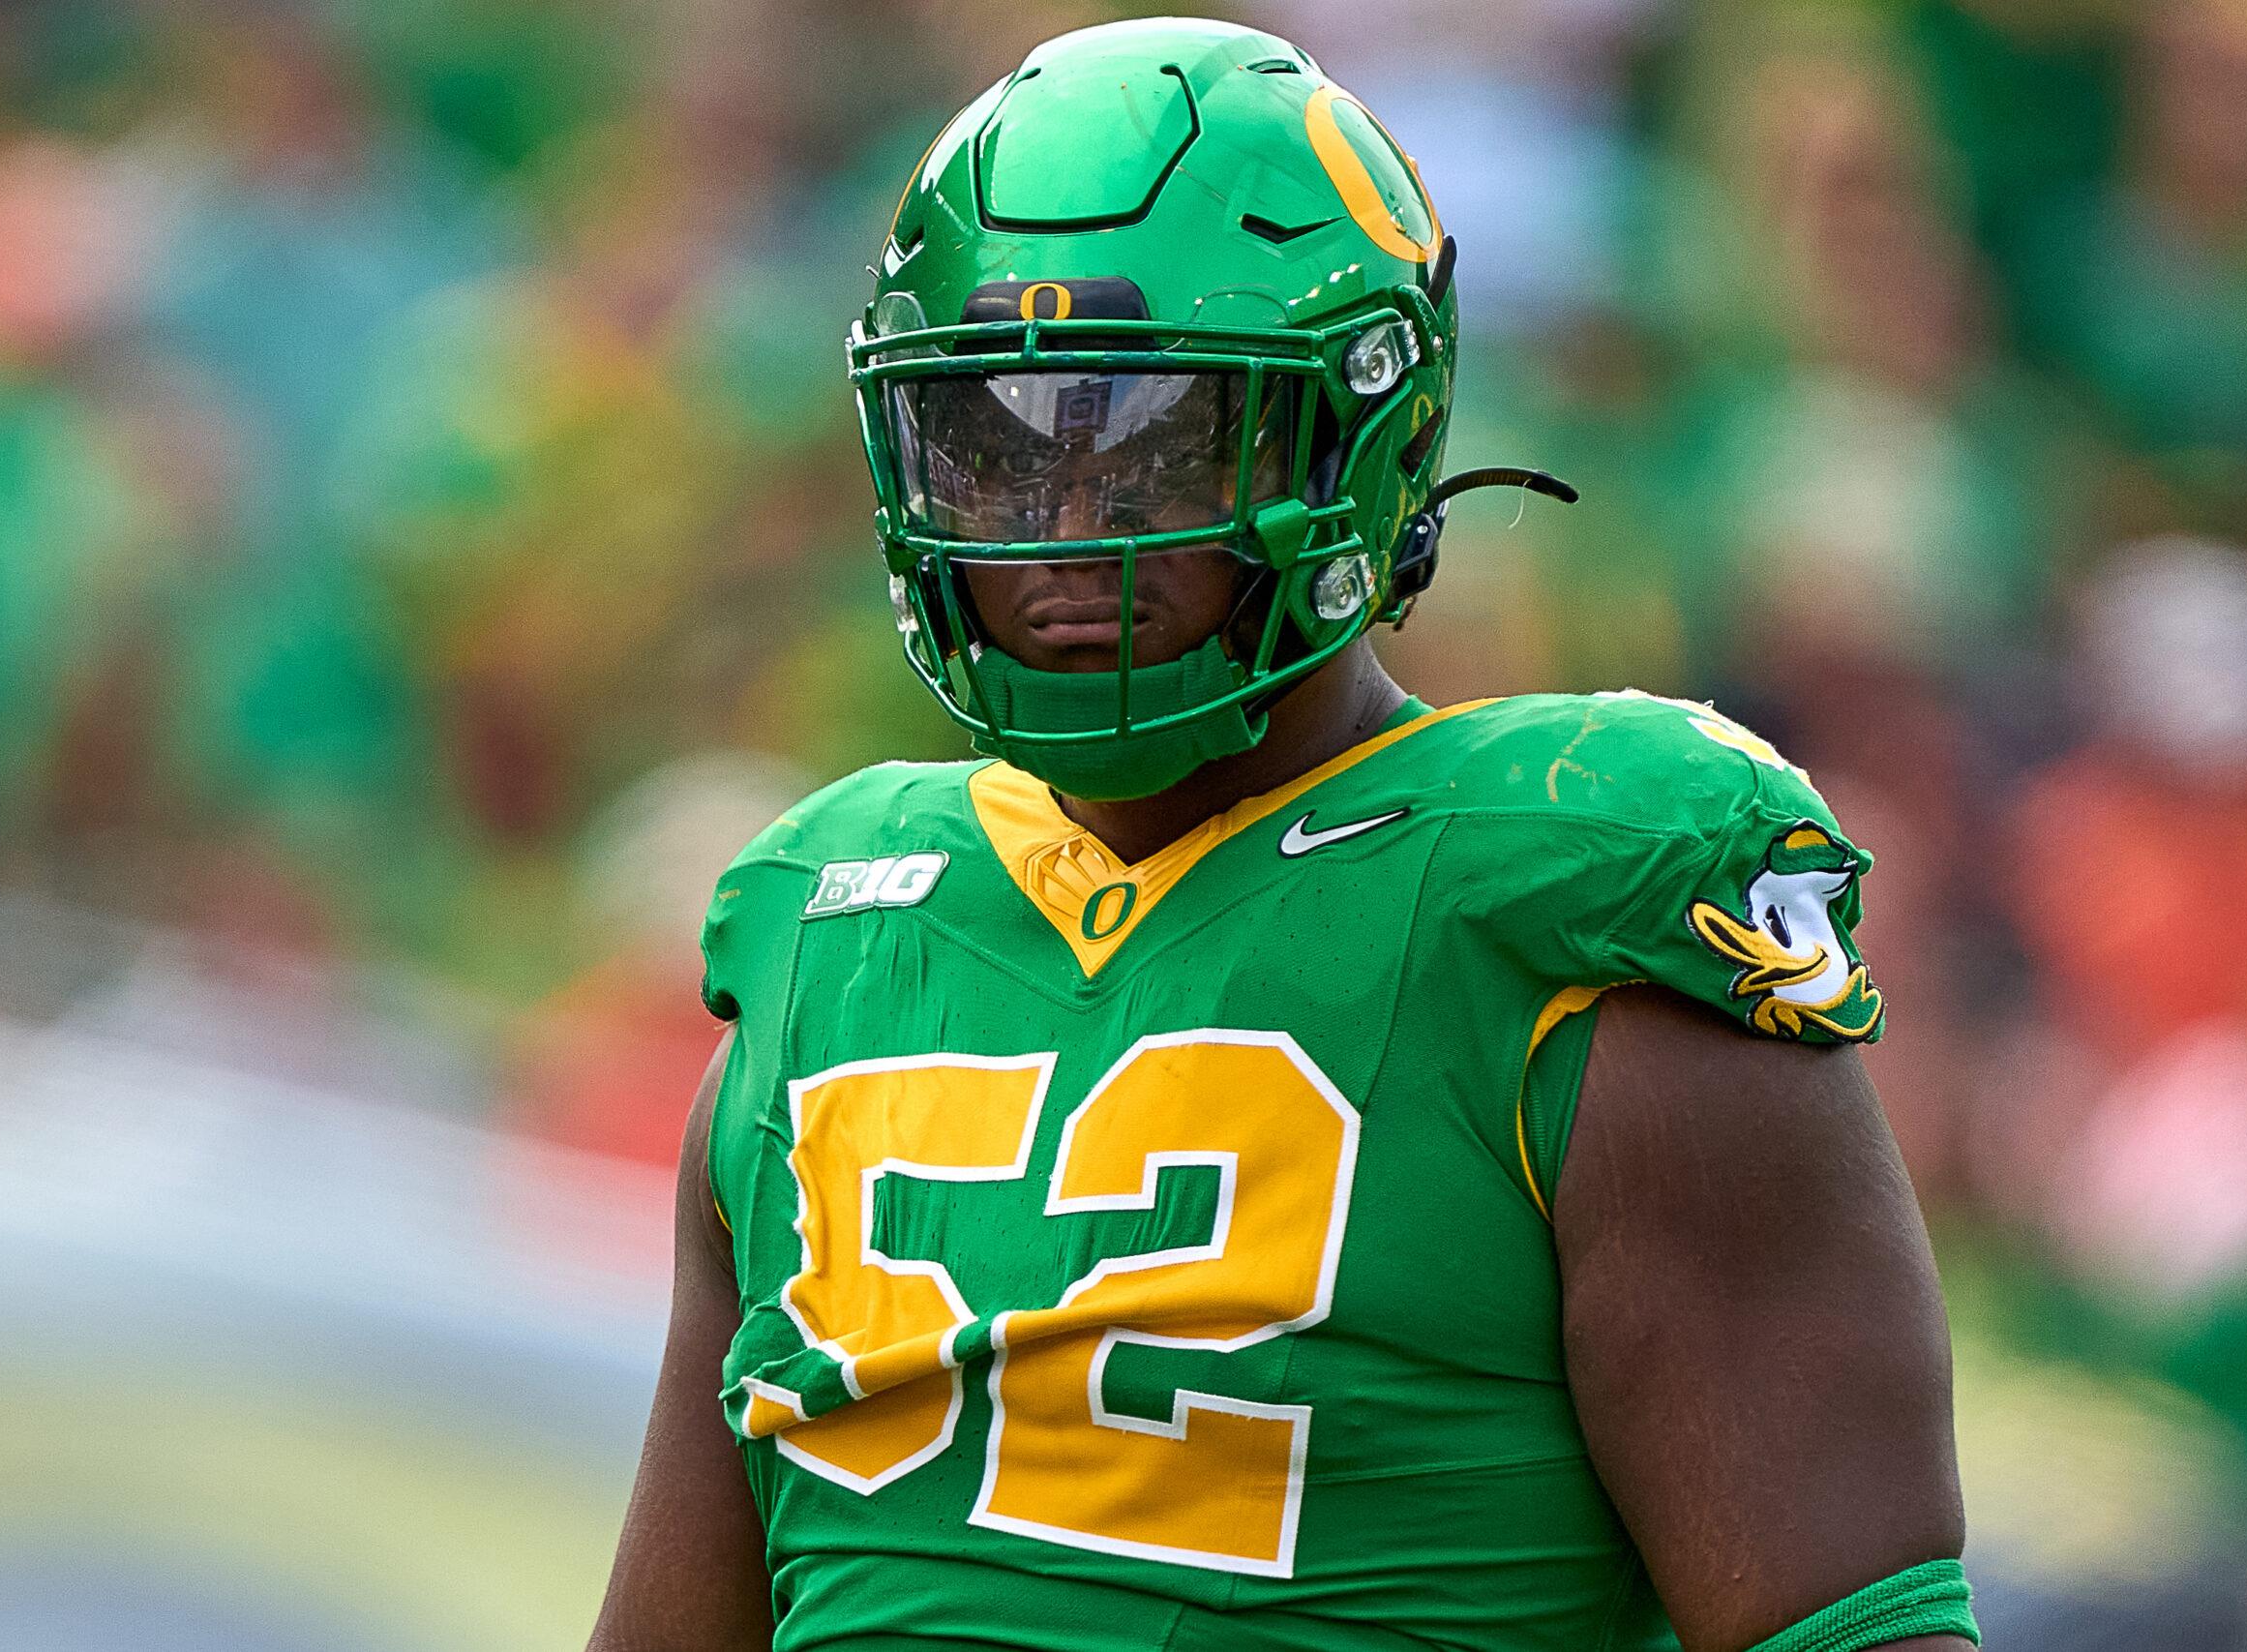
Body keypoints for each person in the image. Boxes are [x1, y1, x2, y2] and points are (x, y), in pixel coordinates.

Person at [589, 19, 1973, 1652]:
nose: (1066, 536)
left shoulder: (1570, 914)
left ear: (1361, 434)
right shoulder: (830, 932)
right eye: (996, 450)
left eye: (1158, 447)